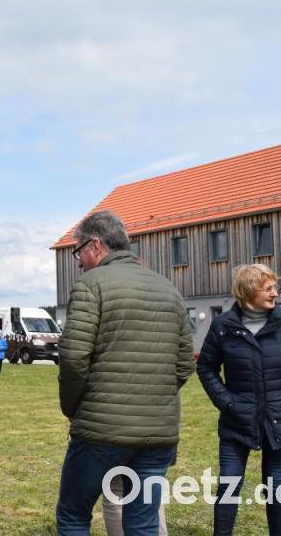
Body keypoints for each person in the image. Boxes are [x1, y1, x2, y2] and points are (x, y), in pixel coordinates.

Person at [56, 211, 195, 535]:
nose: (78, 262)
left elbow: (74, 359)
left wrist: (73, 408)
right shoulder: (168, 289)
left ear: (95, 245)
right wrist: (152, 396)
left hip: (101, 429)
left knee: (73, 515)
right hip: (158, 433)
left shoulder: (90, 285)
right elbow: (185, 364)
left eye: (78, 252)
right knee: (144, 521)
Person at [197, 264, 281, 535]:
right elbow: (206, 367)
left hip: (280, 417)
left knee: (276, 484)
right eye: (268, 288)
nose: (275, 293)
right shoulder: (222, 327)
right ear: (248, 291)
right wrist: (226, 402)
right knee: (228, 486)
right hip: (237, 419)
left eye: (275, 287)